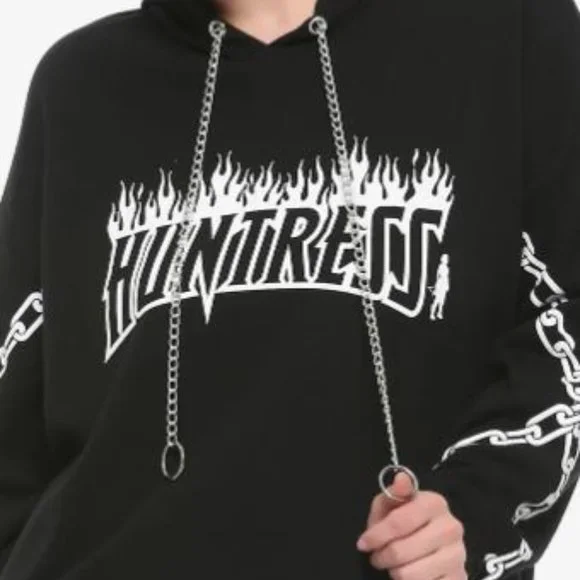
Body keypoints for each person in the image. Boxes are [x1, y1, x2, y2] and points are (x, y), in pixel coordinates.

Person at [1, 0, 579, 578]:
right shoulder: (82, 81)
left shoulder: (503, 29)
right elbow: (15, 396)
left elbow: (564, 313)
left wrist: (474, 513)